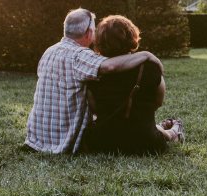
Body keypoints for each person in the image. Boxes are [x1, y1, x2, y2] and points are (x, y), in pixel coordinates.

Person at [24, 8, 164, 154]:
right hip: (61, 142)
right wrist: (146, 55)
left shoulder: (50, 51)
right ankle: (166, 131)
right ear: (89, 33)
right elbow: (110, 66)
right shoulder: (80, 56)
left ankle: (163, 130)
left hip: (37, 139)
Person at [83, 15, 184, 154]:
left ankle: (168, 130)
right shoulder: (149, 67)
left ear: (99, 40)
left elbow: (93, 108)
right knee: (147, 129)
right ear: (132, 36)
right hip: (147, 143)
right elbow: (158, 101)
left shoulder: (93, 70)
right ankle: (174, 131)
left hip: (102, 143)